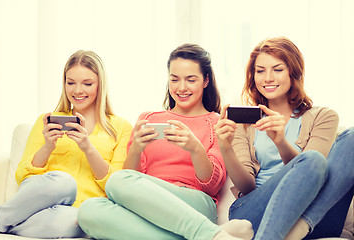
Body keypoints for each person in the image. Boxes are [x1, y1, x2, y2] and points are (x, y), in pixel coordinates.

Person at [77, 43, 254, 240]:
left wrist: (195, 148)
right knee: (88, 210)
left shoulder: (216, 122)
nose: (182, 87)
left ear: (205, 81)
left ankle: (207, 233)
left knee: (117, 180)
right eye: (175, 79)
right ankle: (212, 234)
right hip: (150, 206)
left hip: (194, 203)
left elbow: (211, 187)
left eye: (191, 79)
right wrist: (135, 150)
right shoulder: (149, 118)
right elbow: (131, 183)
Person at [215, 36, 354, 240]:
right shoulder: (244, 124)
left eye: (277, 69)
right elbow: (247, 187)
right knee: (312, 159)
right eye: (260, 71)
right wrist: (225, 148)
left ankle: (298, 228)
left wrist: (280, 141)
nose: (267, 78)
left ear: (293, 72)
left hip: (315, 214)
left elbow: (314, 176)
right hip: (255, 211)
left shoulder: (323, 117)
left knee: (345, 142)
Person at [0, 50, 133, 238]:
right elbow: (22, 176)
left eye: (87, 83)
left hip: (74, 211)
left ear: (100, 85)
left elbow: (115, 186)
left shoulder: (120, 127)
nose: (77, 91)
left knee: (74, 222)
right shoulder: (47, 121)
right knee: (63, 181)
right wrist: (47, 147)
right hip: (38, 200)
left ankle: (4, 222)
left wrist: (88, 148)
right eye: (71, 83)